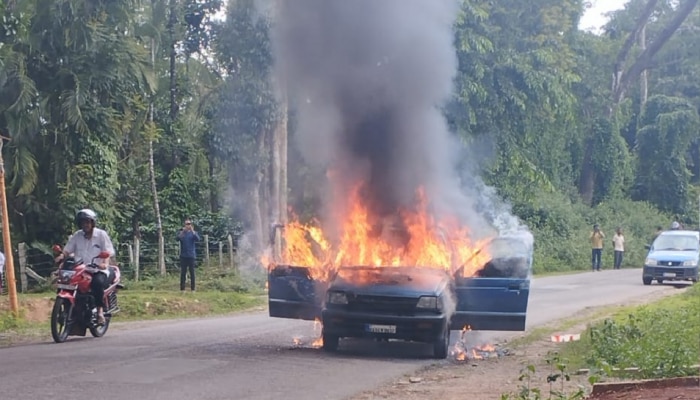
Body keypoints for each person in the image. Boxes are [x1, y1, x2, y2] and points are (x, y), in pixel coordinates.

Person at [55, 209, 115, 324]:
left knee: (97, 283)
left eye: (87, 222)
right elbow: (68, 250)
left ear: (92, 223)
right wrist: (61, 256)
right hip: (80, 269)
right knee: (65, 283)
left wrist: (104, 263)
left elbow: (108, 251)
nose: (85, 225)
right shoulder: (77, 235)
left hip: (97, 269)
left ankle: (99, 312)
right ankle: (66, 311)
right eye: (83, 222)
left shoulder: (101, 235)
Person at [177, 218, 201, 292]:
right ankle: (182, 289)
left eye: (189, 224)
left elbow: (198, 239)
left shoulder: (193, 233)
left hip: (191, 255)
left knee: (192, 273)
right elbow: (177, 238)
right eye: (187, 224)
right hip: (183, 255)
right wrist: (183, 232)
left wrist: (193, 231)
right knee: (183, 273)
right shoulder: (182, 233)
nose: (188, 225)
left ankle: (193, 289)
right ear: (184, 225)